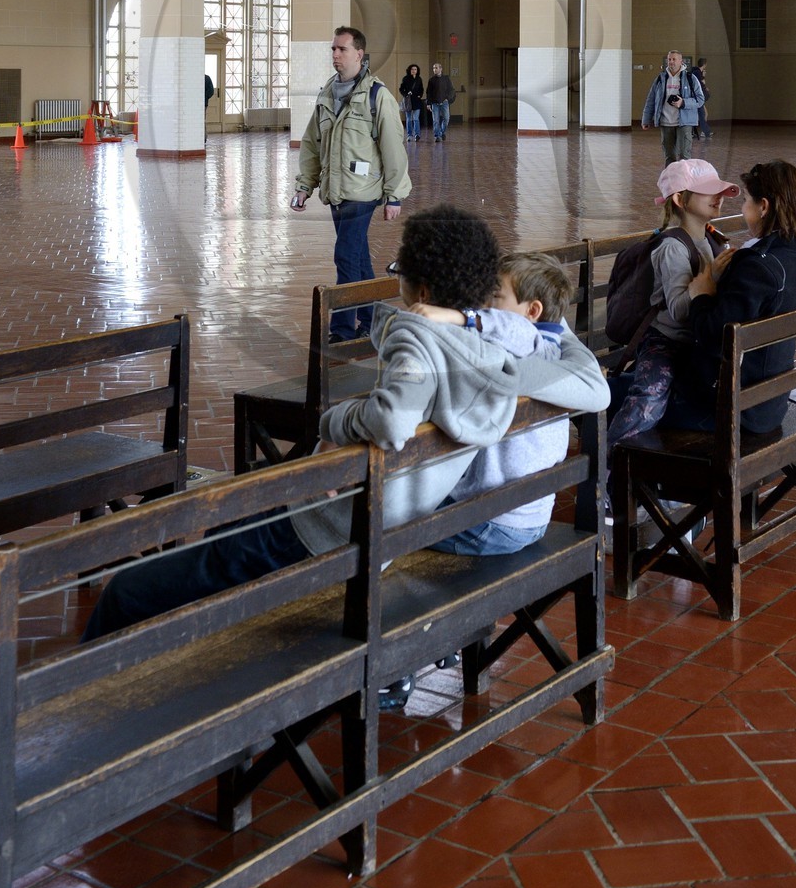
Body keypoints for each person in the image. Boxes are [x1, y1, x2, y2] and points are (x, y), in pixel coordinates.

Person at [81, 206, 608, 665]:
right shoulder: (510, 350)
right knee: (242, 522)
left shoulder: (422, 338)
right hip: (380, 522)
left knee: (130, 589)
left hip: (340, 531)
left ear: (422, 289)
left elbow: (394, 420)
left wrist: (332, 422)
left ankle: (80, 707)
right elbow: (572, 370)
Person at [412, 250, 610, 556]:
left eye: (495, 297)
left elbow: (511, 330)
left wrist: (463, 317)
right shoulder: (555, 355)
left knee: (383, 532)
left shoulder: (521, 350)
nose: (486, 305)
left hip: (492, 522)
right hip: (530, 516)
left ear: (532, 311)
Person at [661, 160, 796, 436]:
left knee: (614, 396)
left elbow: (714, 337)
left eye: (747, 201)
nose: (742, 208)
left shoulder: (757, 267)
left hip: (726, 407)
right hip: (770, 402)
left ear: (764, 207)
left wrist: (702, 294)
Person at [606, 159, 739, 448]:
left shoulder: (713, 240)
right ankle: (606, 471)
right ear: (680, 199)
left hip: (697, 342)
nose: (718, 197)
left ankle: (662, 485)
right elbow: (679, 311)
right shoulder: (672, 247)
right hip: (665, 341)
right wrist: (711, 277)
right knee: (647, 401)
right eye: (707, 191)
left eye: (719, 190)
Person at [291, 26, 410, 340]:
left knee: (344, 255)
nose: (335, 55)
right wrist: (305, 186)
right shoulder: (327, 93)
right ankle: (373, 321)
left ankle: (343, 331)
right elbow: (312, 143)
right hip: (337, 190)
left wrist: (394, 195)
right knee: (356, 257)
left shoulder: (377, 95)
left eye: (341, 49)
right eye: (333, 49)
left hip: (364, 191)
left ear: (359, 53)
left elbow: (393, 147)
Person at [641, 50, 704, 165]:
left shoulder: (691, 78)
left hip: (684, 123)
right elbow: (651, 100)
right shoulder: (660, 79)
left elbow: (700, 100)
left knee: (684, 157)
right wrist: (646, 119)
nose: (671, 62)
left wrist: (683, 103)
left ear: (681, 61)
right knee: (669, 157)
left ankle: (685, 182)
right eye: (669, 59)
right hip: (666, 123)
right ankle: (670, 182)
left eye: (674, 59)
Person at [426, 61, 455, 142]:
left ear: (441, 69)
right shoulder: (431, 80)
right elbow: (428, 92)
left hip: (444, 102)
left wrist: (448, 98)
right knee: (436, 120)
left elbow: (451, 90)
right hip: (435, 103)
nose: (434, 69)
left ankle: (442, 132)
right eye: (433, 68)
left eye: (436, 68)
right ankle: (437, 136)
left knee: (446, 119)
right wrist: (428, 103)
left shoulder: (446, 79)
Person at [399, 63, 424, 141]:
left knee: (416, 118)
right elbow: (401, 89)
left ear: (417, 71)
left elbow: (421, 88)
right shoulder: (405, 79)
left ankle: (417, 135)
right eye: (412, 69)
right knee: (409, 119)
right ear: (409, 70)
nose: (414, 71)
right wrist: (406, 94)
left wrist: (420, 95)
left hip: (416, 100)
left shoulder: (419, 79)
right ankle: (409, 135)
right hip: (408, 101)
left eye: (415, 69)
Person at [690, 56, 712, 140]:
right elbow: (699, 84)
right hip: (698, 98)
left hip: (697, 98)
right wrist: (703, 78)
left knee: (702, 114)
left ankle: (703, 132)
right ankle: (705, 132)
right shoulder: (697, 73)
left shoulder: (696, 72)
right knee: (703, 114)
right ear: (705, 64)